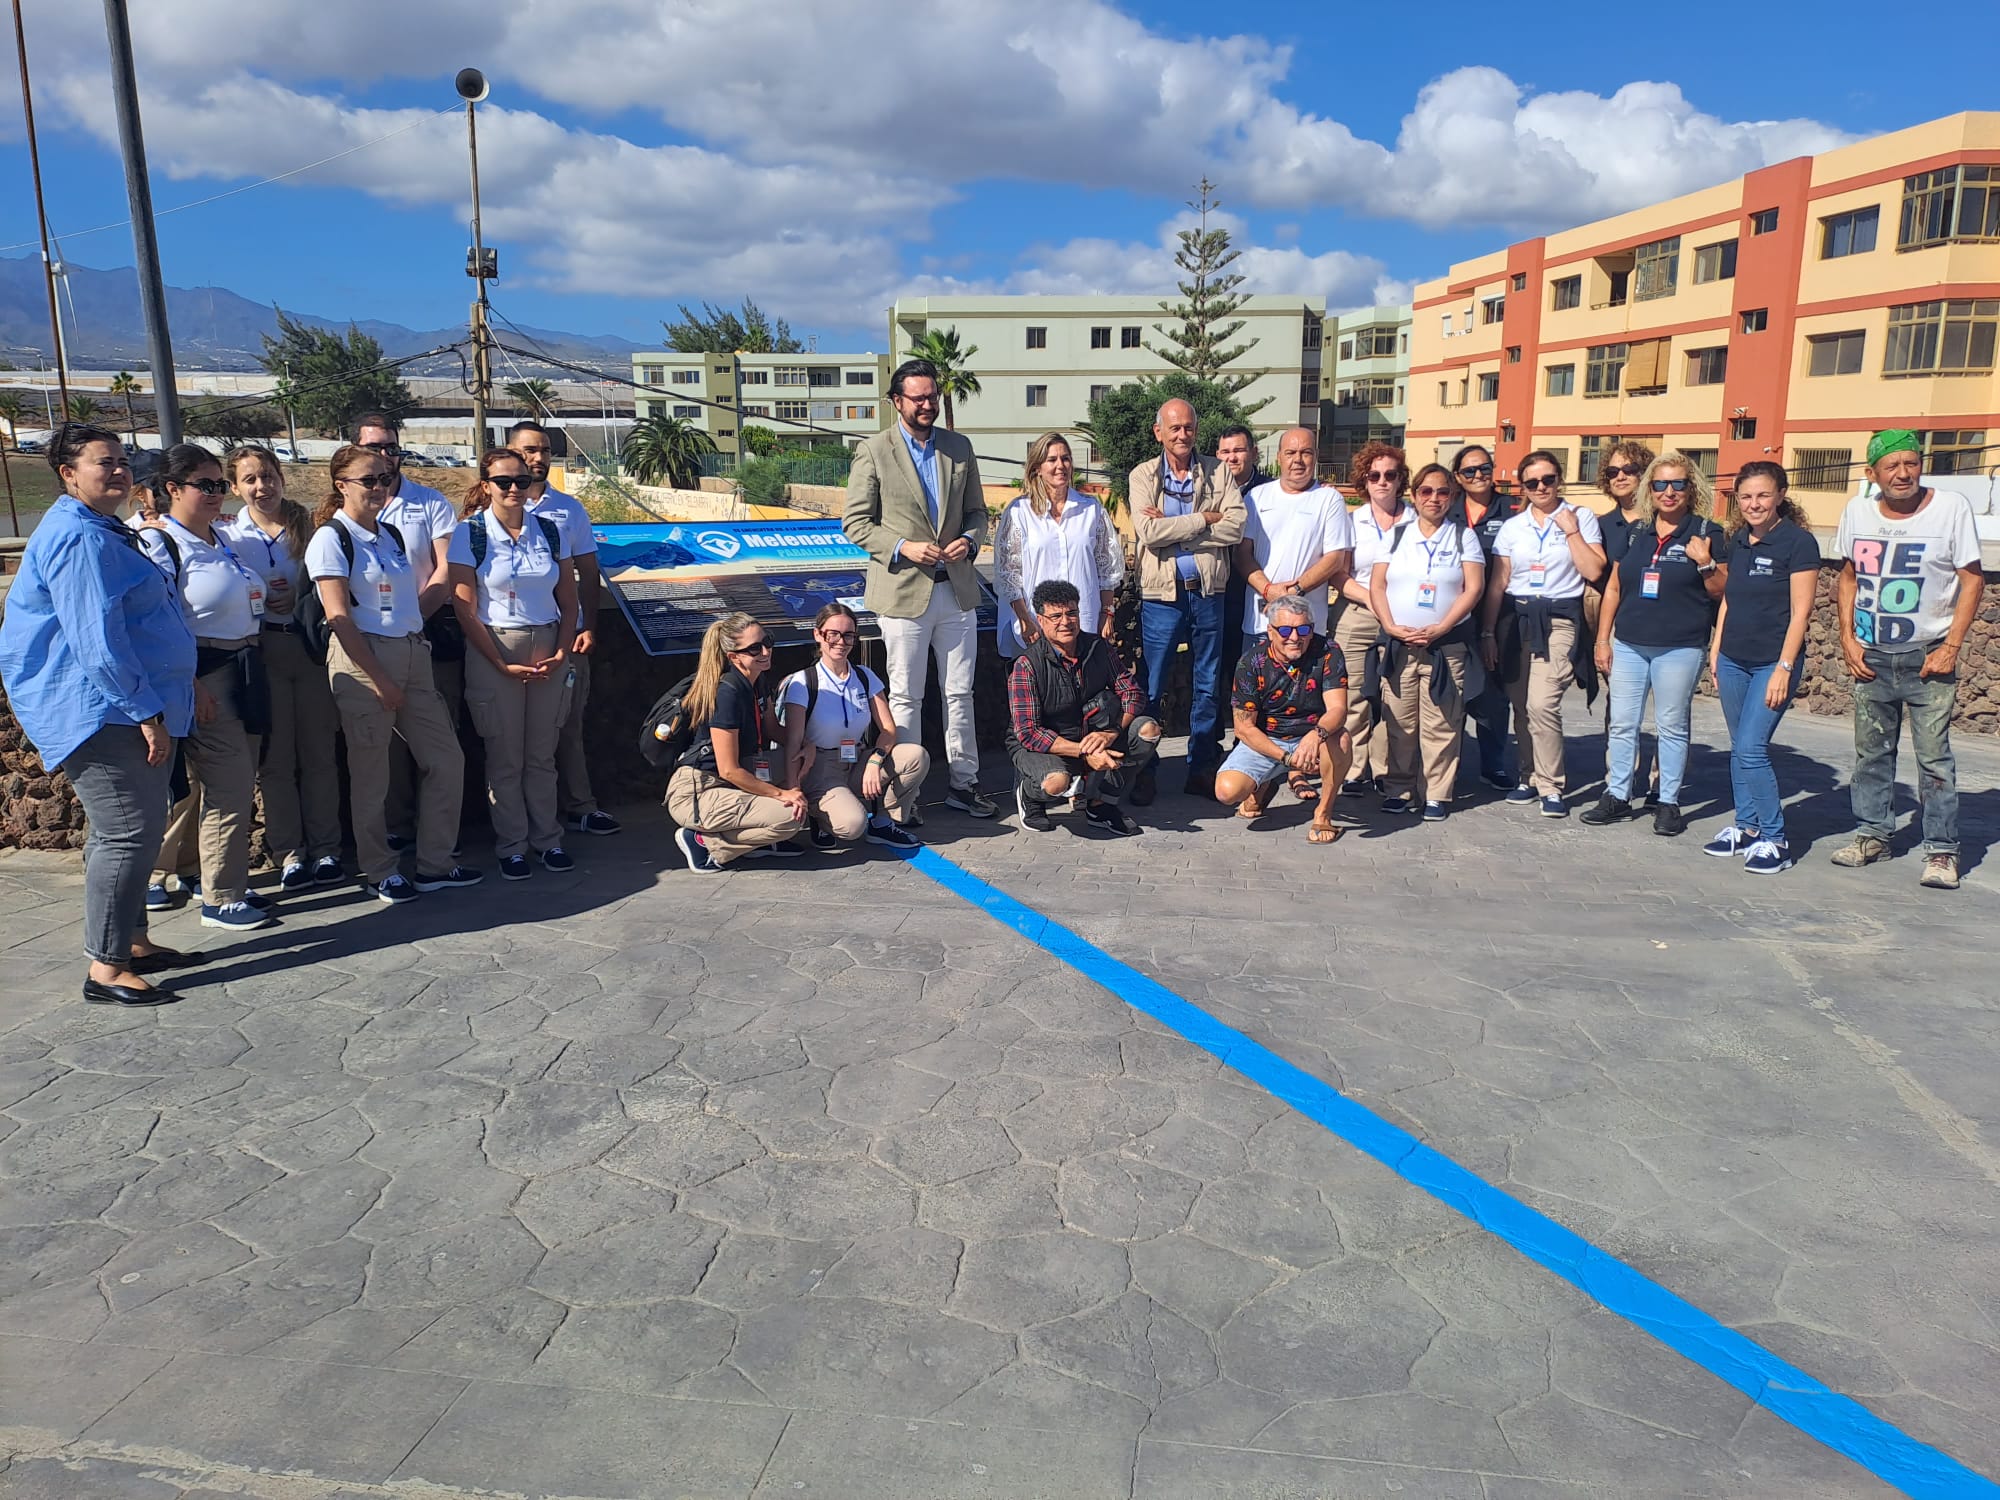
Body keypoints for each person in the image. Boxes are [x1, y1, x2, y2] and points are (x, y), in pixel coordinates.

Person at [0, 424, 196, 1005]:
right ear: (68, 474)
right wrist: (146, 711)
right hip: (103, 710)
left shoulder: (101, 529)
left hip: (128, 705)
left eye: (121, 461)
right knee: (125, 834)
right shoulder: (80, 539)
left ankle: (131, 940)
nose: (116, 471)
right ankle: (105, 969)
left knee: (130, 832)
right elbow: (96, 642)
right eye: (101, 463)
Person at [307, 444, 483, 904]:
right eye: (369, 480)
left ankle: (435, 863)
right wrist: (380, 679)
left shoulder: (390, 535)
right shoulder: (332, 538)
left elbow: (406, 599)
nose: (380, 488)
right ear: (341, 485)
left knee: (446, 760)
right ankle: (379, 869)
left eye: (385, 478)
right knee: (372, 775)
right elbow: (338, 617)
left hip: (411, 653)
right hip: (364, 660)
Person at [1832, 429, 1985, 889]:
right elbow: (1847, 578)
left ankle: (1941, 851)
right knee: (1870, 755)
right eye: (1891, 465)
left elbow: (1972, 580)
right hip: (1872, 657)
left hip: (1927, 659)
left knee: (1934, 759)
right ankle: (1873, 835)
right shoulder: (1857, 511)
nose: (1903, 473)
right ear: (1872, 473)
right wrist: (1848, 639)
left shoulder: (1950, 509)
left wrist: (1951, 646)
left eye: (1911, 462)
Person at [842, 358, 993, 818]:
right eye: (918, 398)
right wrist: (904, 547)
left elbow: (978, 515)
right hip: (903, 593)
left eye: (932, 396)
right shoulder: (873, 451)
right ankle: (902, 794)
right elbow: (855, 522)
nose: (927, 404)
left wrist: (969, 541)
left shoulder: (959, 447)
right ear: (896, 401)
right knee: (906, 695)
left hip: (957, 590)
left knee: (960, 693)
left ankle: (964, 785)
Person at [136, 444, 273, 932]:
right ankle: (223, 896)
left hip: (241, 667)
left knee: (205, 786)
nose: (217, 494)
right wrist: (193, 683)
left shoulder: (220, 539)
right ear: (172, 489)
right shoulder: (162, 544)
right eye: (205, 486)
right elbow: (159, 622)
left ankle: (196, 872)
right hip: (203, 672)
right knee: (229, 785)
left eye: (220, 485)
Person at [447, 448, 579, 881]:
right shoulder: (470, 534)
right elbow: (464, 607)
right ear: (486, 485)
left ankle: (549, 839)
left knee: (541, 754)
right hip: (494, 645)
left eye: (521, 481)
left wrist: (562, 650)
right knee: (505, 755)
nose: (513, 490)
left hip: (546, 642)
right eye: (503, 482)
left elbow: (568, 597)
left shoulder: (550, 531)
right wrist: (500, 664)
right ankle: (512, 845)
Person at [221, 445, 343, 891]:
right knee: (276, 762)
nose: (261, 487)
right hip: (263, 651)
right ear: (235, 487)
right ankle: (289, 852)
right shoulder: (230, 537)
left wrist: (301, 598)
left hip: (308, 650)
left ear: (281, 479)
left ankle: (327, 848)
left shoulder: (308, 528)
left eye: (268, 476)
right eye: (250, 479)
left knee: (319, 755)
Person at [1584, 452, 1726, 835]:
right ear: (1650, 489)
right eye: (1660, 484)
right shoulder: (1637, 532)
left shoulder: (1707, 533)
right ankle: (1617, 796)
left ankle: (1668, 802)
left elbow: (1721, 591)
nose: (1668, 491)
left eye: (1677, 483)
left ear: (1690, 488)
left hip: (1679, 647)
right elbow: (1614, 587)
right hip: (1630, 643)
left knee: (1671, 725)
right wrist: (1603, 639)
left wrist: (1705, 563)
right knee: (1624, 724)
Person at [353, 411, 465, 850]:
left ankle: (439, 837)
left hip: (427, 631)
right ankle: (395, 829)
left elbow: (443, 573)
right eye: (374, 447)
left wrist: (410, 621)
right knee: (386, 747)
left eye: (391, 448)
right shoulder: (344, 512)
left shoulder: (430, 502)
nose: (385, 456)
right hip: (370, 641)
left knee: (440, 738)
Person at [507, 419, 620, 837]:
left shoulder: (568, 509)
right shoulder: (487, 508)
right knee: (513, 736)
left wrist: (587, 625)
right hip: (511, 637)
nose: (538, 459)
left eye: (545, 451)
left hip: (564, 636)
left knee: (568, 725)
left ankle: (580, 805)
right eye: (529, 451)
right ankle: (525, 817)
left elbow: (587, 574)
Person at [1705, 462, 1819, 873]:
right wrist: (1716, 649)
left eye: (1763, 495)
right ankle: (1746, 827)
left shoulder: (1798, 543)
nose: (1754, 504)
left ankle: (1775, 838)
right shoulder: (1738, 541)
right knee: (1739, 747)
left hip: (1773, 661)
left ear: (1781, 495)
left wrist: (1785, 668)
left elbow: (1800, 614)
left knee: (1752, 748)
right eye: (1747, 496)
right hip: (1733, 658)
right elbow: (1729, 599)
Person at [1129, 398, 1244, 802]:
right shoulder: (1142, 475)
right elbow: (1147, 533)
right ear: (1159, 432)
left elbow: (1235, 526)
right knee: (1152, 685)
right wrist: (1202, 520)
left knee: (1208, 684)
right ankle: (1144, 768)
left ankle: (1201, 767)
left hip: (1208, 594)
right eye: (1174, 428)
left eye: (1189, 427)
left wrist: (1173, 528)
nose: (1182, 434)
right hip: (1162, 596)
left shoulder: (1217, 472)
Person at [1479, 450, 1605, 817]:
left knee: (1542, 703)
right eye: (1532, 482)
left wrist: (1571, 531)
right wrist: (1488, 632)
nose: (1541, 487)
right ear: (1523, 486)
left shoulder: (1580, 518)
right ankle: (1527, 775)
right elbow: (1498, 584)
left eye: (1548, 479)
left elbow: (1595, 569)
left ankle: (1552, 786)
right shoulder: (1513, 527)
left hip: (1560, 619)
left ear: (1559, 479)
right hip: (1515, 621)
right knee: (1521, 704)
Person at [1370, 463, 1485, 820]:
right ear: (1414, 496)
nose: (1434, 499)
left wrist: (1443, 626)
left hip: (1444, 646)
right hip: (1400, 644)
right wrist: (1389, 625)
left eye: (1442, 492)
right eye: (1426, 492)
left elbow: (1474, 587)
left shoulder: (1463, 536)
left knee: (1442, 721)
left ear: (1452, 497)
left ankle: (1436, 792)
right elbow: (1377, 585)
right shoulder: (1397, 535)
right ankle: (1400, 788)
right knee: (1399, 722)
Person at [1005, 579, 1157, 835]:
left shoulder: (1099, 647)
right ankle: (1029, 794)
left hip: (1092, 735)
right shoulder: (1026, 665)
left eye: (1071, 613)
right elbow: (1029, 732)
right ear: (1040, 621)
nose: (1065, 621)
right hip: (1043, 746)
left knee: (1147, 730)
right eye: (1055, 616)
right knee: (1056, 784)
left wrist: (1110, 734)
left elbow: (1133, 694)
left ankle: (1101, 805)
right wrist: (1084, 752)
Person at [778, 603, 928, 850]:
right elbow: (793, 742)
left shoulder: (865, 676)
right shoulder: (803, 681)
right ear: (818, 635)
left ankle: (883, 823)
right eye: (832, 634)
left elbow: (889, 730)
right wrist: (794, 789)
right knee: (852, 826)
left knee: (915, 755)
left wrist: (874, 761)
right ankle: (820, 815)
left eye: (848, 635)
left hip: (857, 758)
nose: (840, 641)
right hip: (820, 765)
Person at [667, 612, 808, 870]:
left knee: (803, 761)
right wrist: (781, 793)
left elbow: (774, 730)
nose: (766, 651)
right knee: (790, 817)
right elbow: (729, 770)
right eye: (755, 648)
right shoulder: (727, 693)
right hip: (700, 791)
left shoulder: (757, 680)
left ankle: (760, 837)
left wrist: (805, 745)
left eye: (768, 642)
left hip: (736, 777)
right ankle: (706, 843)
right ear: (734, 657)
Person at [1213, 593, 1353, 845]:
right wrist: (1286, 758)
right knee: (1226, 792)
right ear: (1270, 631)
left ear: (1312, 630)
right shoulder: (1252, 661)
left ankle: (1323, 814)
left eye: (1303, 629)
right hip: (1266, 738)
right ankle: (1263, 784)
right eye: (1286, 629)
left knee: (1341, 739)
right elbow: (1244, 728)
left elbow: (1338, 710)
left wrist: (1315, 735)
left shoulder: (1328, 651)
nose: (1294, 637)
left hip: (1313, 735)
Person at [994, 432, 1122, 653]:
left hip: (1084, 620)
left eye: (1066, 458)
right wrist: (1024, 618)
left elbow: (1107, 568)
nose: (1060, 465)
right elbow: (1009, 573)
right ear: (1037, 468)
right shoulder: (1019, 512)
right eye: (1052, 460)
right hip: (1036, 624)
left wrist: (1107, 613)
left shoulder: (1091, 509)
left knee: (1084, 684)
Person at [1333, 441, 1413, 796]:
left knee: (1394, 696)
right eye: (1374, 475)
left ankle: (1386, 770)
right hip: (1357, 613)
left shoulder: (1417, 521)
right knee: (1352, 697)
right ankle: (1353, 769)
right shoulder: (1352, 522)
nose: (1382, 482)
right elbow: (1339, 574)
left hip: (1403, 616)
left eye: (1390, 475)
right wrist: (1373, 599)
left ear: (1400, 480)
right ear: (1363, 481)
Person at [1591, 441, 1659, 800]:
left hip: (1665, 625)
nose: (1619, 477)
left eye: (1628, 470)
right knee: (1619, 708)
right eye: (1612, 471)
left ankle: (1662, 783)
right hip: (1617, 625)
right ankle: (1620, 782)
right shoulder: (1601, 525)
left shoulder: (1664, 519)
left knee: (1666, 712)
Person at [1447, 444, 1517, 790]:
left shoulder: (1514, 510)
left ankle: (1493, 764)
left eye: (1484, 468)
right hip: (1453, 615)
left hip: (1499, 617)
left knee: (1492, 696)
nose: (1478, 476)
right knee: (1452, 694)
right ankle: (1450, 767)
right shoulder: (1447, 508)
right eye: (1469, 471)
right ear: (1458, 477)